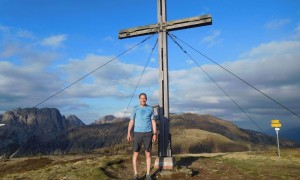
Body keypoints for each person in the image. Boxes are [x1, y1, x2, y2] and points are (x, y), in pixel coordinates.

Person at [127, 93, 157, 180]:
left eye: (144, 98)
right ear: (139, 99)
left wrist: (154, 134)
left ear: (146, 99)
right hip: (137, 133)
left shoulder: (150, 109)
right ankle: (136, 174)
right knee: (135, 154)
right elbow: (131, 121)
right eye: (141, 98)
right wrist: (128, 133)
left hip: (148, 134)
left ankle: (148, 174)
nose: (143, 100)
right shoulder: (135, 109)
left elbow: (153, 122)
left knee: (148, 154)